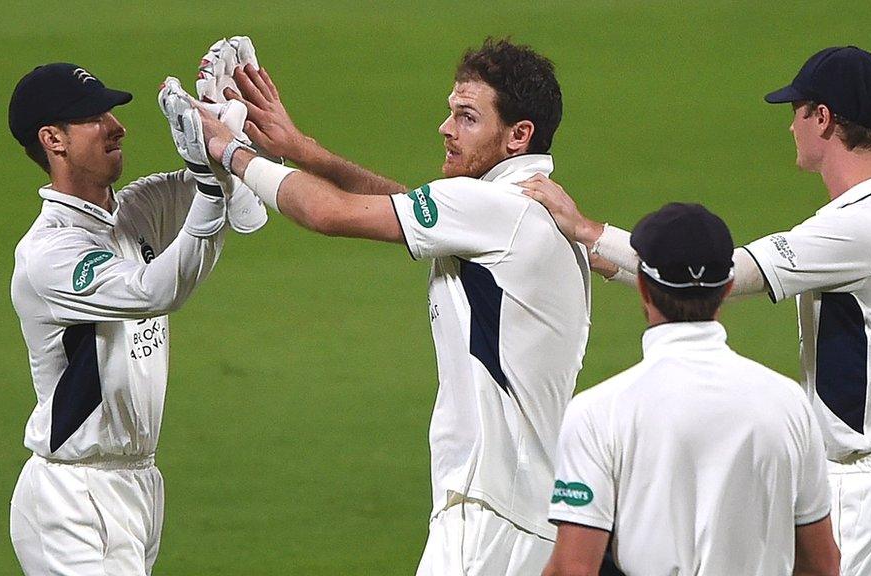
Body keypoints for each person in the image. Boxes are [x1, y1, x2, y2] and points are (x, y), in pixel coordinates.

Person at [521, 46, 871, 576]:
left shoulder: (863, 226)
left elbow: (714, 271)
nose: (790, 127)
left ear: (823, 118)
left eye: (796, 111)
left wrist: (588, 231)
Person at [196, 38, 591, 574]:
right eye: (451, 112)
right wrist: (302, 149)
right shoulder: (521, 207)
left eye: (468, 117)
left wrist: (228, 152)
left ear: (518, 136)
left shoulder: (497, 208)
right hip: (522, 516)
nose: (445, 129)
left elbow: (329, 214)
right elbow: (412, 206)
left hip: (487, 517)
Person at [6, 62, 244, 574]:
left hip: (138, 485)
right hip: (72, 497)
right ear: (53, 139)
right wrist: (208, 181)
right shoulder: (50, 252)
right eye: (94, 117)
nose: (117, 126)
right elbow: (155, 291)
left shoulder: (136, 209)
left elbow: (228, 189)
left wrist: (228, 127)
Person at [542, 203, 840, 575]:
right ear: (727, 288)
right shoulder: (789, 405)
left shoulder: (598, 412)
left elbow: (575, 569)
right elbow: (822, 565)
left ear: (643, 287)